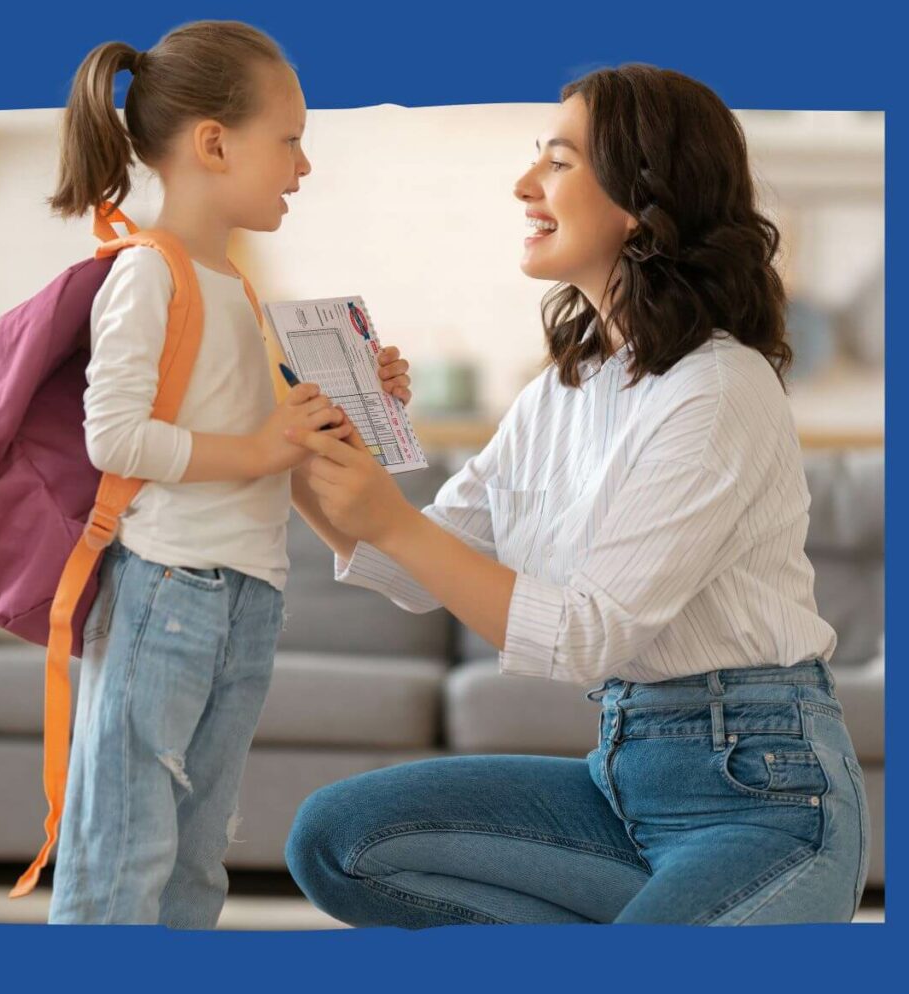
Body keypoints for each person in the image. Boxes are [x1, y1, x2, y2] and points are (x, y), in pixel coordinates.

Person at [282, 64, 870, 926]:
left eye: (556, 162)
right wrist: (304, 455)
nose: (524, 185)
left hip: (764, 799)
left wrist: (390, 519)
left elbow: (588, 636)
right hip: (623, 782)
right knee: (338, 838)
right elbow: (409, 567)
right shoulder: (561, 392)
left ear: (643, 196)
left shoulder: (718, 391)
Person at [45, 20, 411, 927]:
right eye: (290, 140)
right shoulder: (147, 272)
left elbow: (268, 438)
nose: (303, 165)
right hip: (168, 592)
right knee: (119, 861)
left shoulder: (236, 289)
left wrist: (357, 399)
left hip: (245, 600)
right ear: (214, 143)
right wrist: (262, 447)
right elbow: (116, 438)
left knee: (196, 864)